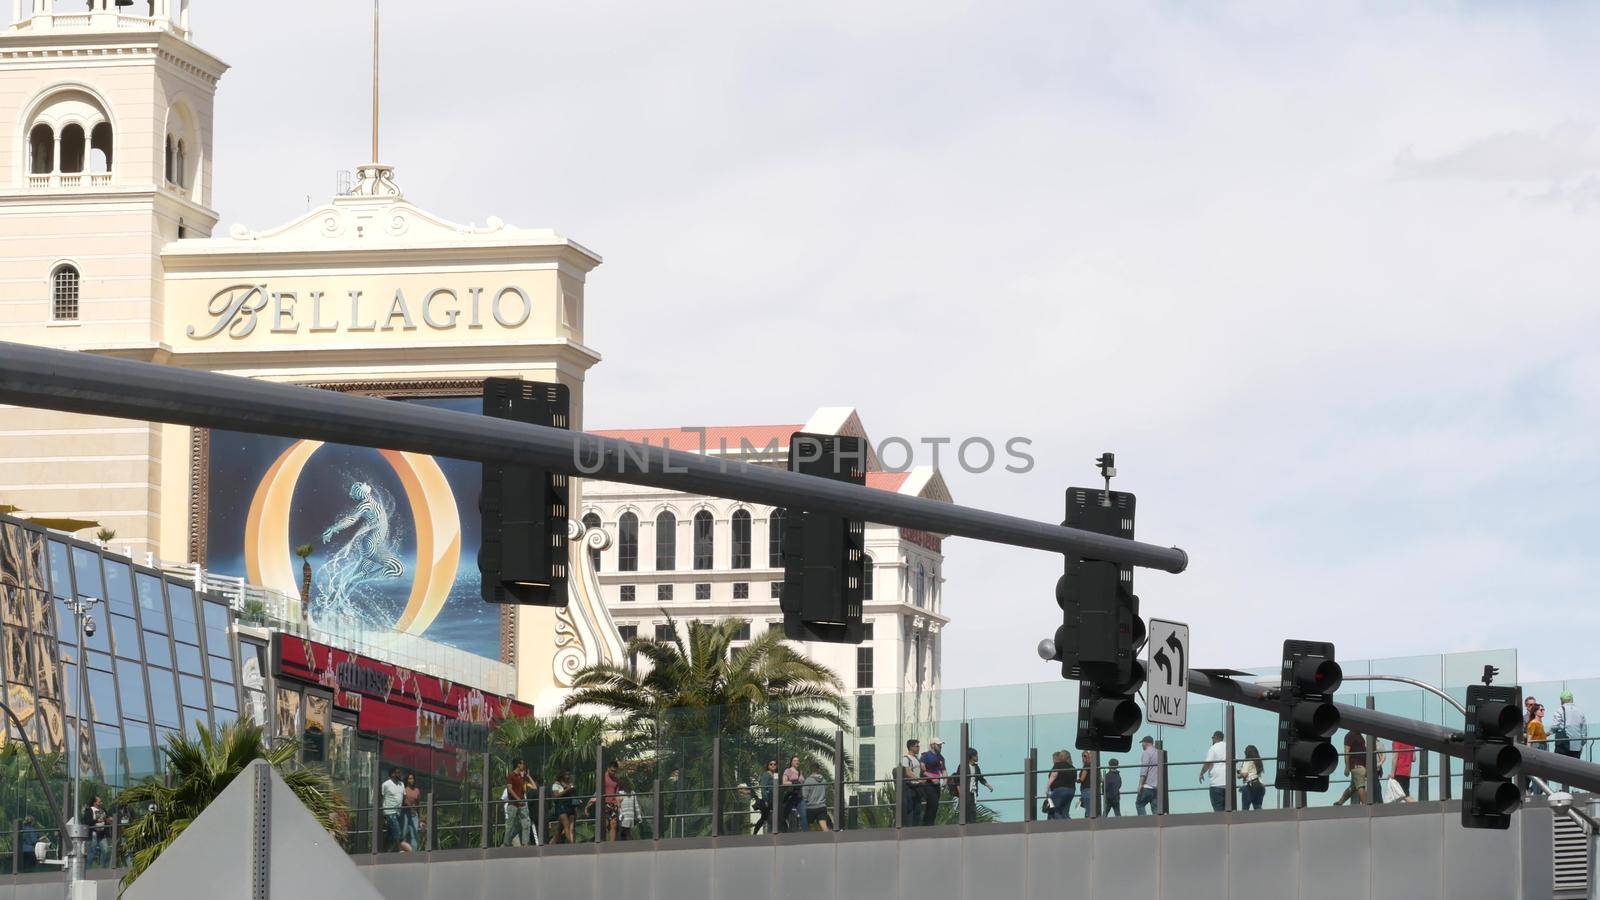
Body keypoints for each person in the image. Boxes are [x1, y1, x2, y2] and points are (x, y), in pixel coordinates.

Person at [953, 747, 993, 823]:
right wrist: (960, 792)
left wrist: (988, 786)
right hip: (965, 792)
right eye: (976, 755)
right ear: (971, 756)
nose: (977, 757)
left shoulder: (976, 767)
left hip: (973, 792)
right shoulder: (963, 766)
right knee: (965, 811)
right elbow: (957, 780)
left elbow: (981, 778)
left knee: (972, 811)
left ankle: (972, 825)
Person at [1334, 731, 1367, 805]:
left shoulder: (1359, 735)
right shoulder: (1349, 736)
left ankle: (1340, 802)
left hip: (1361, 765)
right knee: (1361, 786)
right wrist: (1347, 767)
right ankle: (1366, 806)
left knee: (1353, 787)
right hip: (1356, 765)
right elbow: (1347, 751)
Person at [503, 758, 531, 847]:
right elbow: (509, 789)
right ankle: (506, 843)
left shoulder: (521, 777)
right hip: (513, 804)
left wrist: (526, 777)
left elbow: (524, 789)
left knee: (525, 823)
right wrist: (517, 799)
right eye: (522, 764)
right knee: (510, 825)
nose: (524, 766)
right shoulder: (511, 776)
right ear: (518, 765)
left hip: (522, 804)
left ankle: (525, 843)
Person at [381, 769, 410, 852]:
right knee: (397, 831)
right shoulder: (386, 784)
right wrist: (381, 813)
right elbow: (381, 797)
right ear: (392, 774)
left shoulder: (401, 784)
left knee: (390, 834)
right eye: (398, 772)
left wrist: (411, 809)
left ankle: (385, 850)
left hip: (398, 812)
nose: (400, 774)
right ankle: (399, 849)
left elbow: (404, 798)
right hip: (389, 812)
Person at [920, 738, 948, 825]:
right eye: (938, 745)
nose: (940, 746)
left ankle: (929, 823)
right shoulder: (925, 756)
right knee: (933, 802)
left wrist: (945, 780)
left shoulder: (941, 757)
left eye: (941, 745)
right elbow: (923, 770)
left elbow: (943, 770)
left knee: (934, 805)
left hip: (937, 784)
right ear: (932, 745)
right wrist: (932, 778)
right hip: (928, 784)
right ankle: (927, 824)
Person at [1554, 692, 1588, 761]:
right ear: (1572, 699)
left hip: (1562, 746)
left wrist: (1547, 733)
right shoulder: (1580, 712)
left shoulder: (1560, 710)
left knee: (1560, 766)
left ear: (1561, 701)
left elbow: (1555, 726)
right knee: (1575, 767)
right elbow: (1584, 732)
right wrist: (1581, 745)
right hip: (1576, 747)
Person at [1199, 731, 1227, 812]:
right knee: (1228, 809)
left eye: (1213, 738)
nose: (1212, 740)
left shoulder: (1213, 748)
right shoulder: (1229, 746)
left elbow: (1208, 763)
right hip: (1229, 783)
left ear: (1216, 738)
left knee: (1218, 810)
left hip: (1216, 783)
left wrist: (1201, 773)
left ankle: (1221, 823)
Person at [900, 740, 925, 827]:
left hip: (918, 787)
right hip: (910, 787)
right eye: (917, 746)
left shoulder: (917, 759)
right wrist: (918, 779)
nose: (918, 748)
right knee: (911, 809)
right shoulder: (906, 759)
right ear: (911, 747)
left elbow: (919, 771)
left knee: (918, 809)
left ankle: (916, 827)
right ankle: (910, 828)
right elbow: (907, 772)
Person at [1047, 750, 1076, 820]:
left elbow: (1053, 775)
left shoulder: (1058, 765)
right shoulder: (1073, 768)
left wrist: (1047, 787)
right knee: (1065, 812)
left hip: (1059, 790)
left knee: (1054, 811)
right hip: (1071, 791)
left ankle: (1063, 825)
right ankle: (1069, 825)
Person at [752, 760, 780, 834]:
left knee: (766, 817)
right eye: (771, 764)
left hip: (775, 799)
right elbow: (763, 788)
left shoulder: (775, 775)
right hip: (769, 800)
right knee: (764, 817)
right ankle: (755, 833)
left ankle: (776, 831)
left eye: (775, 764)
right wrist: (766, 800)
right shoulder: (766, 774)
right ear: (768, 766)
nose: (773, 765)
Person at [1135, 735, 1160, 816]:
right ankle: (1156, 825)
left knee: (1139, 804)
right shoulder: (1158, 752)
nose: (1142, 745)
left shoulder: (1146, 753)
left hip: (1147, 786)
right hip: (1157, 787)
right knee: (1155, 809)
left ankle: (1144, 823)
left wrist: (1140, 785)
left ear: (1145, 743)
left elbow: (1144, 770)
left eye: (1142, 743)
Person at [781, 755, 807, 832]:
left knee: (803, 816)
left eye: (798, 760)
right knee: (787, 816)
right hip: (791, 796)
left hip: (799, 796)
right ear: (791, 762)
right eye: (795, 760)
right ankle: (784, 832)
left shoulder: (800, 771)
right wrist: (794, 782)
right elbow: (784, 782)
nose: (797, 762)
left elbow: (802, 782)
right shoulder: (788, 771)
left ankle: (806, 834)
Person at [549, 771, 575, 844]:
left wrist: (571, 789)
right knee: (567, 826)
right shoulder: (556, 785)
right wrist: (567, 790)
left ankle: (551, 844)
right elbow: (556, 795)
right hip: (561, 807)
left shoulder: (569, 784)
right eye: (566, 775)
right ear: (562, 776)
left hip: (569, 806)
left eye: (569, 775)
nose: (568, 776)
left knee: (559, 830)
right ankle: (570, 844)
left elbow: (573, 793)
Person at [1236, 745, 1265, 811]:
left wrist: (1238, 773)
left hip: (1249, 787)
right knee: (1258, 808)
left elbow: (1244, 774)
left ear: (1247, 752)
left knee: (1245, 809)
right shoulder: (1258, 761)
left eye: (1245, 751)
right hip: (1260, 786)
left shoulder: (1247, 761)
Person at [804, 767, 832, 831]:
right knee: (824, 827)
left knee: (808, 826)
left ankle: (810, 839)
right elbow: (826, 792)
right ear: (819, 770)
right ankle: (829, 839)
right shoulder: (824, 780)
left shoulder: (808, 781)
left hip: (810, 808)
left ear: (811, 770)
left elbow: (804, 795)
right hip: (821, 807)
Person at [401, 772, 423, 852]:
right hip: (405, 815)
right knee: (403, 834)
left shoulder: (417, 790)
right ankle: (403, 851)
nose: (412, 780)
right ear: (407, 780)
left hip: (414, 815)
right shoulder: (404, 790)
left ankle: (414, 852)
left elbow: (418, 804)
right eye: (410, 778)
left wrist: (420, 819)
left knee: (415, 834)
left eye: (412, 778)